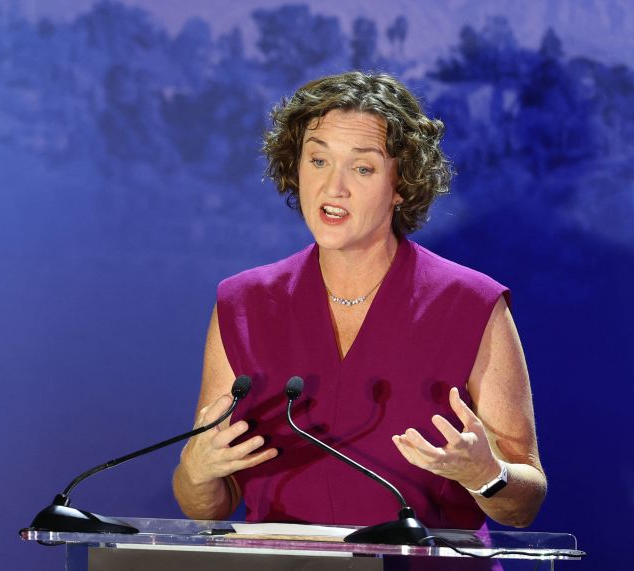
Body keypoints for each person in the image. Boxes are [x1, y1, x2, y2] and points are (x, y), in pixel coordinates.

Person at [173, 71, 546, 530]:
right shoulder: (244, 303)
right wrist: (197, 471)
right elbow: (206, 505)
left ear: (402, 184)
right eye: (318, 161)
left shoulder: (470, 304)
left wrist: (487, 475)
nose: (334, 187)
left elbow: (524, 503)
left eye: (362, 167)